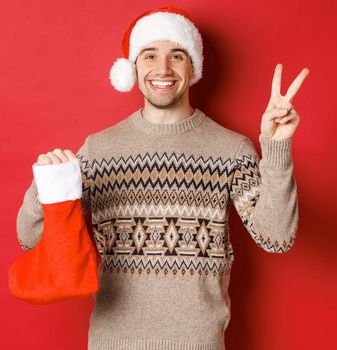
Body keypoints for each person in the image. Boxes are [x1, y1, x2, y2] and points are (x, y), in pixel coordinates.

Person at [15, 6, 309, 349]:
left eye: (177, 55)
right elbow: (30, 238)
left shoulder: (230, 149)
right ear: (133, 68)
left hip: (197, 343)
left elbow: (276, 237)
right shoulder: (99, 150)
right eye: (150, 55)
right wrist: (47, 184)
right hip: (113, 342)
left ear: (193, 67)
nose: (163, 69)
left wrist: (276, 147)